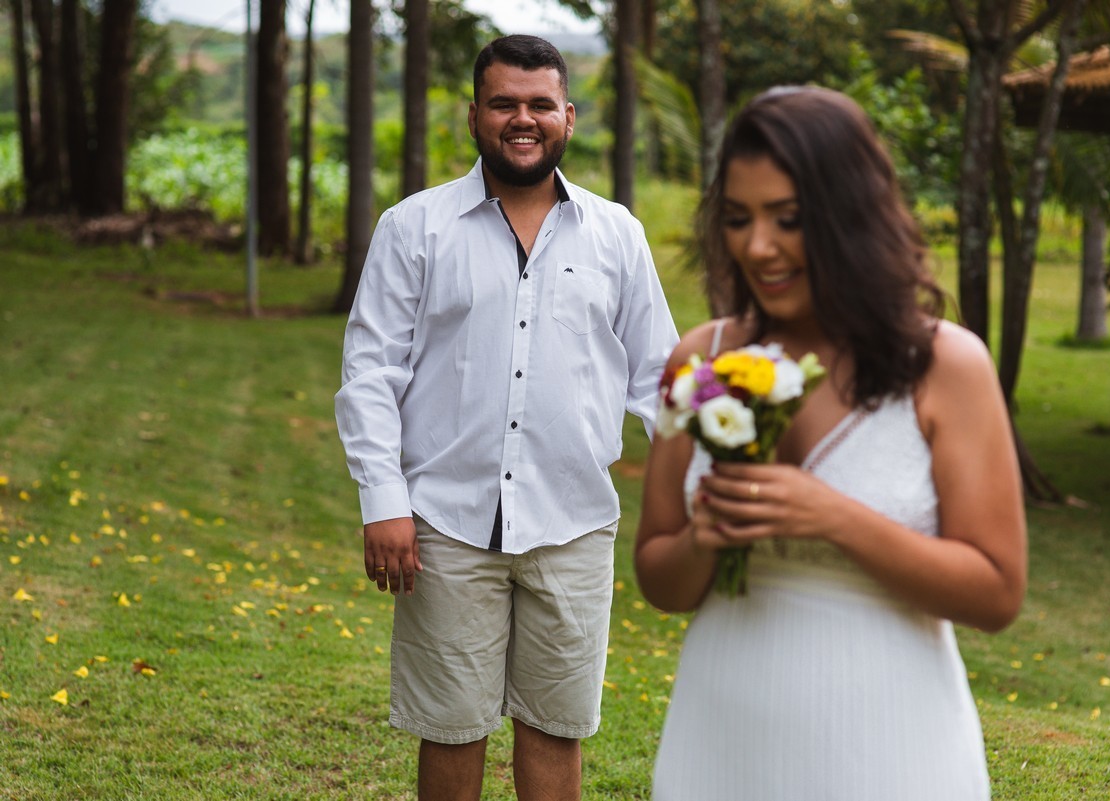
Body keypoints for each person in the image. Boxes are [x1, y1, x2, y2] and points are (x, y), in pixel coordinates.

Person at [635, 86, 1027, 800]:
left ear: (852, 215)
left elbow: (998, 590)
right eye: (737, 218)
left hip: (889, 738)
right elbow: (658, 575)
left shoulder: (946, 366)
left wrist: (831, 516)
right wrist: (704, 537)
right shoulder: (701, 358)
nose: (759, 246)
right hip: (722, 735)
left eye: (789, 218)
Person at [334, 34, 678, 801]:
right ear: (474, 115)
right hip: (446, 525)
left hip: (574, 522)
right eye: (504, 104)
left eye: (539, 105)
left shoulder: (616, 233)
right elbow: (369, 374)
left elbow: (660, 374)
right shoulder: (413, 228)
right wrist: (383, 503)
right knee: (452, 727)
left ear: (568, 116)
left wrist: (706, 482)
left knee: (556, 726)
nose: (522, 119)